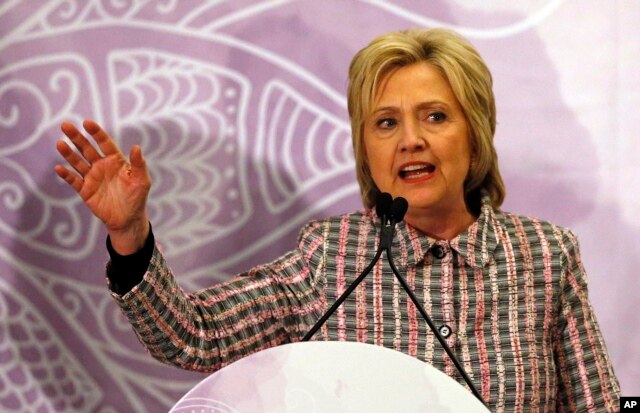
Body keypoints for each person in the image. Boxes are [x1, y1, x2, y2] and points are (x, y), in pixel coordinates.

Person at [54, 28, 620, 412]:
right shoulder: (331, 256)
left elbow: (601, 404)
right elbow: (194, 337)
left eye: (436, 116)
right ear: (366, 151)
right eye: (386, 123)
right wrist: (129, 235)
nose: (411, 140)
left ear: (475, 136)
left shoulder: (545, 255)